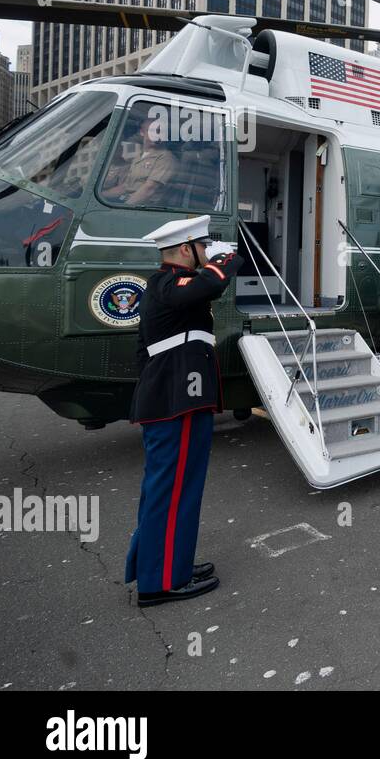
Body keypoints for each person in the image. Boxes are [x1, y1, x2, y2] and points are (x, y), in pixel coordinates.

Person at [125, 215, 242, 607]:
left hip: (175, 399)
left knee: (177, 488)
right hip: (176, 403)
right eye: (203, 247)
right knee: (171, 490)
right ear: (186, 248)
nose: (208, 253)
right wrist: (227, 260)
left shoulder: (171, 286)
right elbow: (207, 285)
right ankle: (161, 584)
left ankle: (169, 565)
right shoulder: (166, 283)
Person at [101, 111, 179, 206]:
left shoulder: (166, 158)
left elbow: (149, 190)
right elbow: (125, 187)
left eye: (161, 132)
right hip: (125, 201)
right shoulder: (139, 154)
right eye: (152, 131)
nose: (156, 135)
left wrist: (123, 208)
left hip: (143, 207)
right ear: (142, 132)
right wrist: (102, 195)